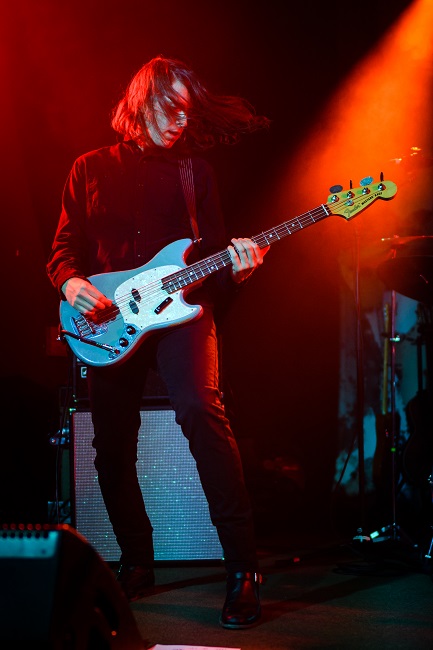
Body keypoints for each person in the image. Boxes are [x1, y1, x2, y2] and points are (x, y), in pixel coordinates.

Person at [46, 55, 270, 629]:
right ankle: (136, 561)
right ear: (142, 101)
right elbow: (63, 250)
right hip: (109, 318)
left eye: (187, 111)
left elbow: (213, 259)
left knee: (201, 410)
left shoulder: (196, 172)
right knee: (111, 444)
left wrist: (239, 268)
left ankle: (243, 569)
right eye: (171, 108)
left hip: (181, 313)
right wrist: (71, 284)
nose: (181, 120)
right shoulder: (89, 168)